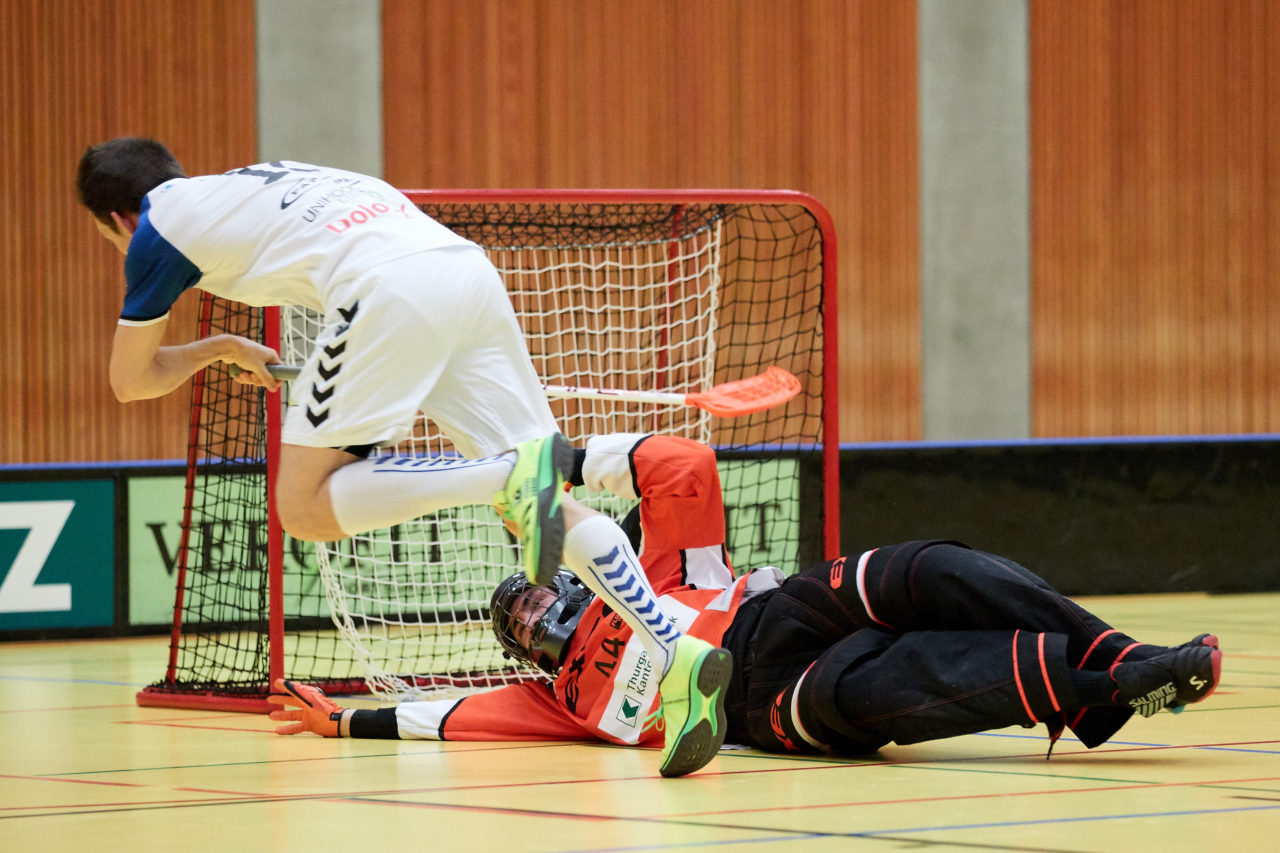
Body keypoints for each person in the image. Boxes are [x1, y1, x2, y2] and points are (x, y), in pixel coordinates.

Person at [76, 138, 731, 777]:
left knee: (302, 506)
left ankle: (501, 475)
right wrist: (227, 344)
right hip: (464, 270)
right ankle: (673, 651)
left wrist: (211, 348)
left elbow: (131, 380)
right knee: (546, 510)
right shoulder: (249, 180)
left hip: (381, 290)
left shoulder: (155, 233)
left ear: (117, 219)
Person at [267, 433, 1223, 763]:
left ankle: (1123, 669)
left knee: (935, 568)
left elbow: (681, 464)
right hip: (767, 704)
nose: (533, 615)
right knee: (918, 676)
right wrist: (346, 723)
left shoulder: (640, 573)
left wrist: (553, 461)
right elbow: (442, 719)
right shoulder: (550, 704)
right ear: (524, 653)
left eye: (531, 595)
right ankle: (1129, 685)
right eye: (517, 624)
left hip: (776, 612)